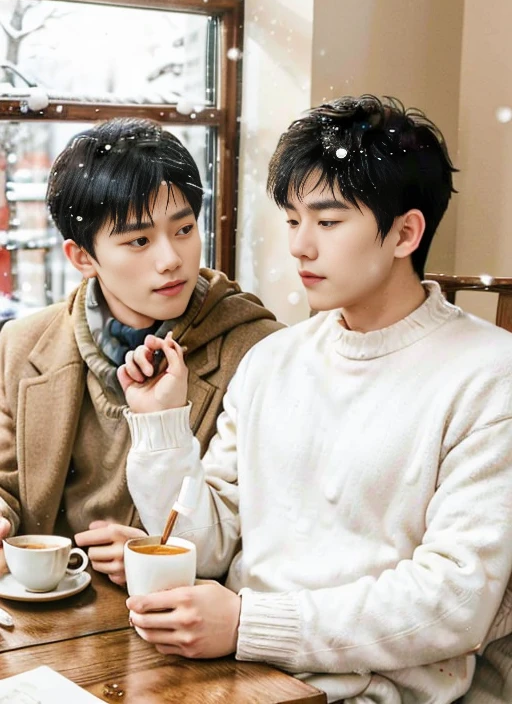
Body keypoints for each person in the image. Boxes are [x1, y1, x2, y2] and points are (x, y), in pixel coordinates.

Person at [119, 96, 512, 704]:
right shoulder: (274, 360)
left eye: (327, 223)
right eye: (293, 221)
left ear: (406, 232)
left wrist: (249, 624)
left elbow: (455, 599)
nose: (300, 247)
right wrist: (161, 427)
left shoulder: (490, 374)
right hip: (236, 674)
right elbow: (209, 544)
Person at [0, 117, 282, 583]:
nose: (171, 258)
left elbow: (261, 527)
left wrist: (156, 552)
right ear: (83, 258)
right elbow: (8, 482)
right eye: (139, 240)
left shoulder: (255, 350)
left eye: (185, 229)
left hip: (178, 623)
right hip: (49, 607)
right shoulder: (23, 343)